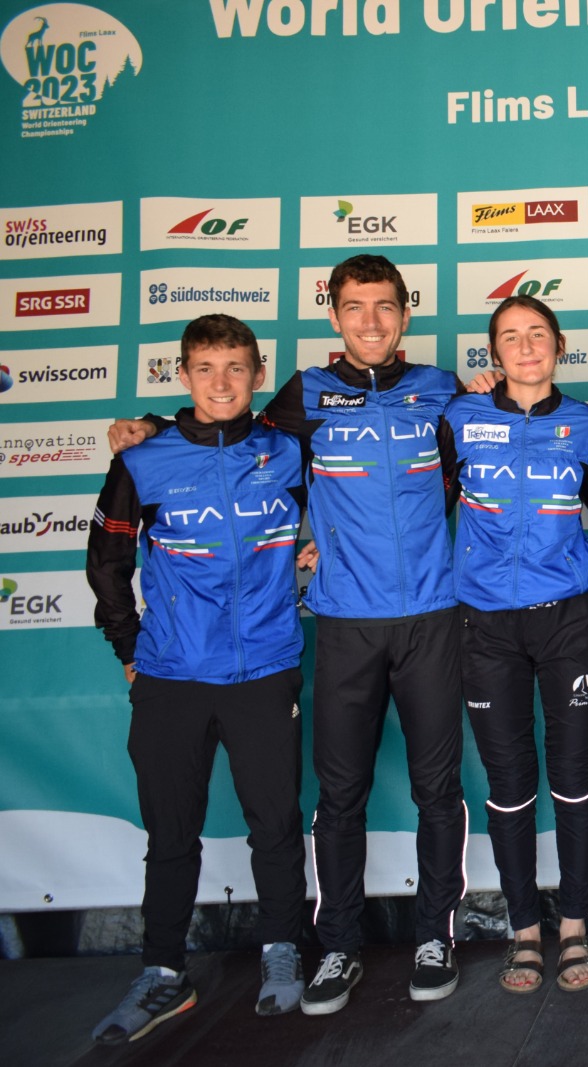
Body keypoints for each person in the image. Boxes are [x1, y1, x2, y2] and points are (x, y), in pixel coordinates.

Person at [109, 255, 468, 1013]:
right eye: (354, 306)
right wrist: (151, 426)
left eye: (384, 306)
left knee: (438, 790)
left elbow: (497, 442)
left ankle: (435, 935)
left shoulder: (442, 389)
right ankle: (336, 945)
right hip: (343, 623)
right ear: (333, 315)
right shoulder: (303, 394)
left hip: (432, 618)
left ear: (405, 312)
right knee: (338, 796)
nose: (370, 321)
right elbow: (222, 429)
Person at [87, 315, 308, 1041]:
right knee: (171, 831)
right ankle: (162, 972)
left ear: (258, 373)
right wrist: (129, 647)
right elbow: (108, 562)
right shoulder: (143, 460)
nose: (222, 382)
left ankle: (282, 950)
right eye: (206, 368)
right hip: (172, 674)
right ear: (183, 375)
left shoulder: (289, 446)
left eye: (236, 367)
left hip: (266, 668)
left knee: (275, 823)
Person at [443, 296, 588, 994]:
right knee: (508, 784)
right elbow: (411, 503)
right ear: (494, 354)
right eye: (510, 336)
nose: (526, 345)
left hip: (568, 618)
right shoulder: (459, 416)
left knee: (573, 778)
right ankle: (524, 931)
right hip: (486, 624)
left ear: (559, 345)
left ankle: (574, 925)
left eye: (538, 333)